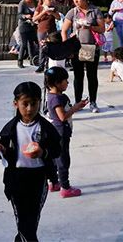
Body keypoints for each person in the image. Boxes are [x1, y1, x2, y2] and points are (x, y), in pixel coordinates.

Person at [0, 82, 61, 242]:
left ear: (40, 102)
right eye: (25, 104)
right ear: (15, 104)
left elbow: (57, 150)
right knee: (23, 223)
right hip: (16, 179)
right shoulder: (11, 129)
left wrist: (43, 153)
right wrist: (2, 151)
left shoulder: (45, 128)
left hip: (38, 179)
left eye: (34, 104)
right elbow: (6, 152)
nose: (30, 109)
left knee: (31, 221)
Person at [44, 67, 88, 198]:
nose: (67, 83)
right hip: (60, 133)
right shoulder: (57, 99)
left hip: (54, 132)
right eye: (65, 81)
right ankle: (65, 187)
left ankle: (54, 182)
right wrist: (75, 108)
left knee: (54, 158)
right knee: (63, 160)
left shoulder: (50, 95)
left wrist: (77, 106)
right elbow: (62, 117)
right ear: (57, 83)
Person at [61, 0, 105, 113]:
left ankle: (93, 102)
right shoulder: (72, 12)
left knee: (92, 76)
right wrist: (66, 47)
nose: (76, 1)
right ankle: (78, 102)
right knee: (78, 76)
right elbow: (64, 30)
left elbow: (102, 29)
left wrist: (90, 26)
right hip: (77, 48)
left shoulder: (95, 11)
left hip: (92, 47)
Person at [33, 0, 60, 73]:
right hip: (42, 30)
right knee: (42, 47)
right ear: (44, 0)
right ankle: (41, 65)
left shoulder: (54, 8)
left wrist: (52, 12)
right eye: (49, 0)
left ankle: (49, 65)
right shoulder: (39, 8)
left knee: (51, 47)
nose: (51, 1)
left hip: (52, 31)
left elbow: (58, 18)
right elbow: (34, 19)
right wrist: (44, 12)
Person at [17, 0, 38, 68]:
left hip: (32, 25)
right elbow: (19, 15)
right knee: (24, 44)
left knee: (31, 43)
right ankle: (20, 61)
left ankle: (32, 59)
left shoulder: (35, 2)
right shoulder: (22, 3)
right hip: (24, 25)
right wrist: (25, 16)